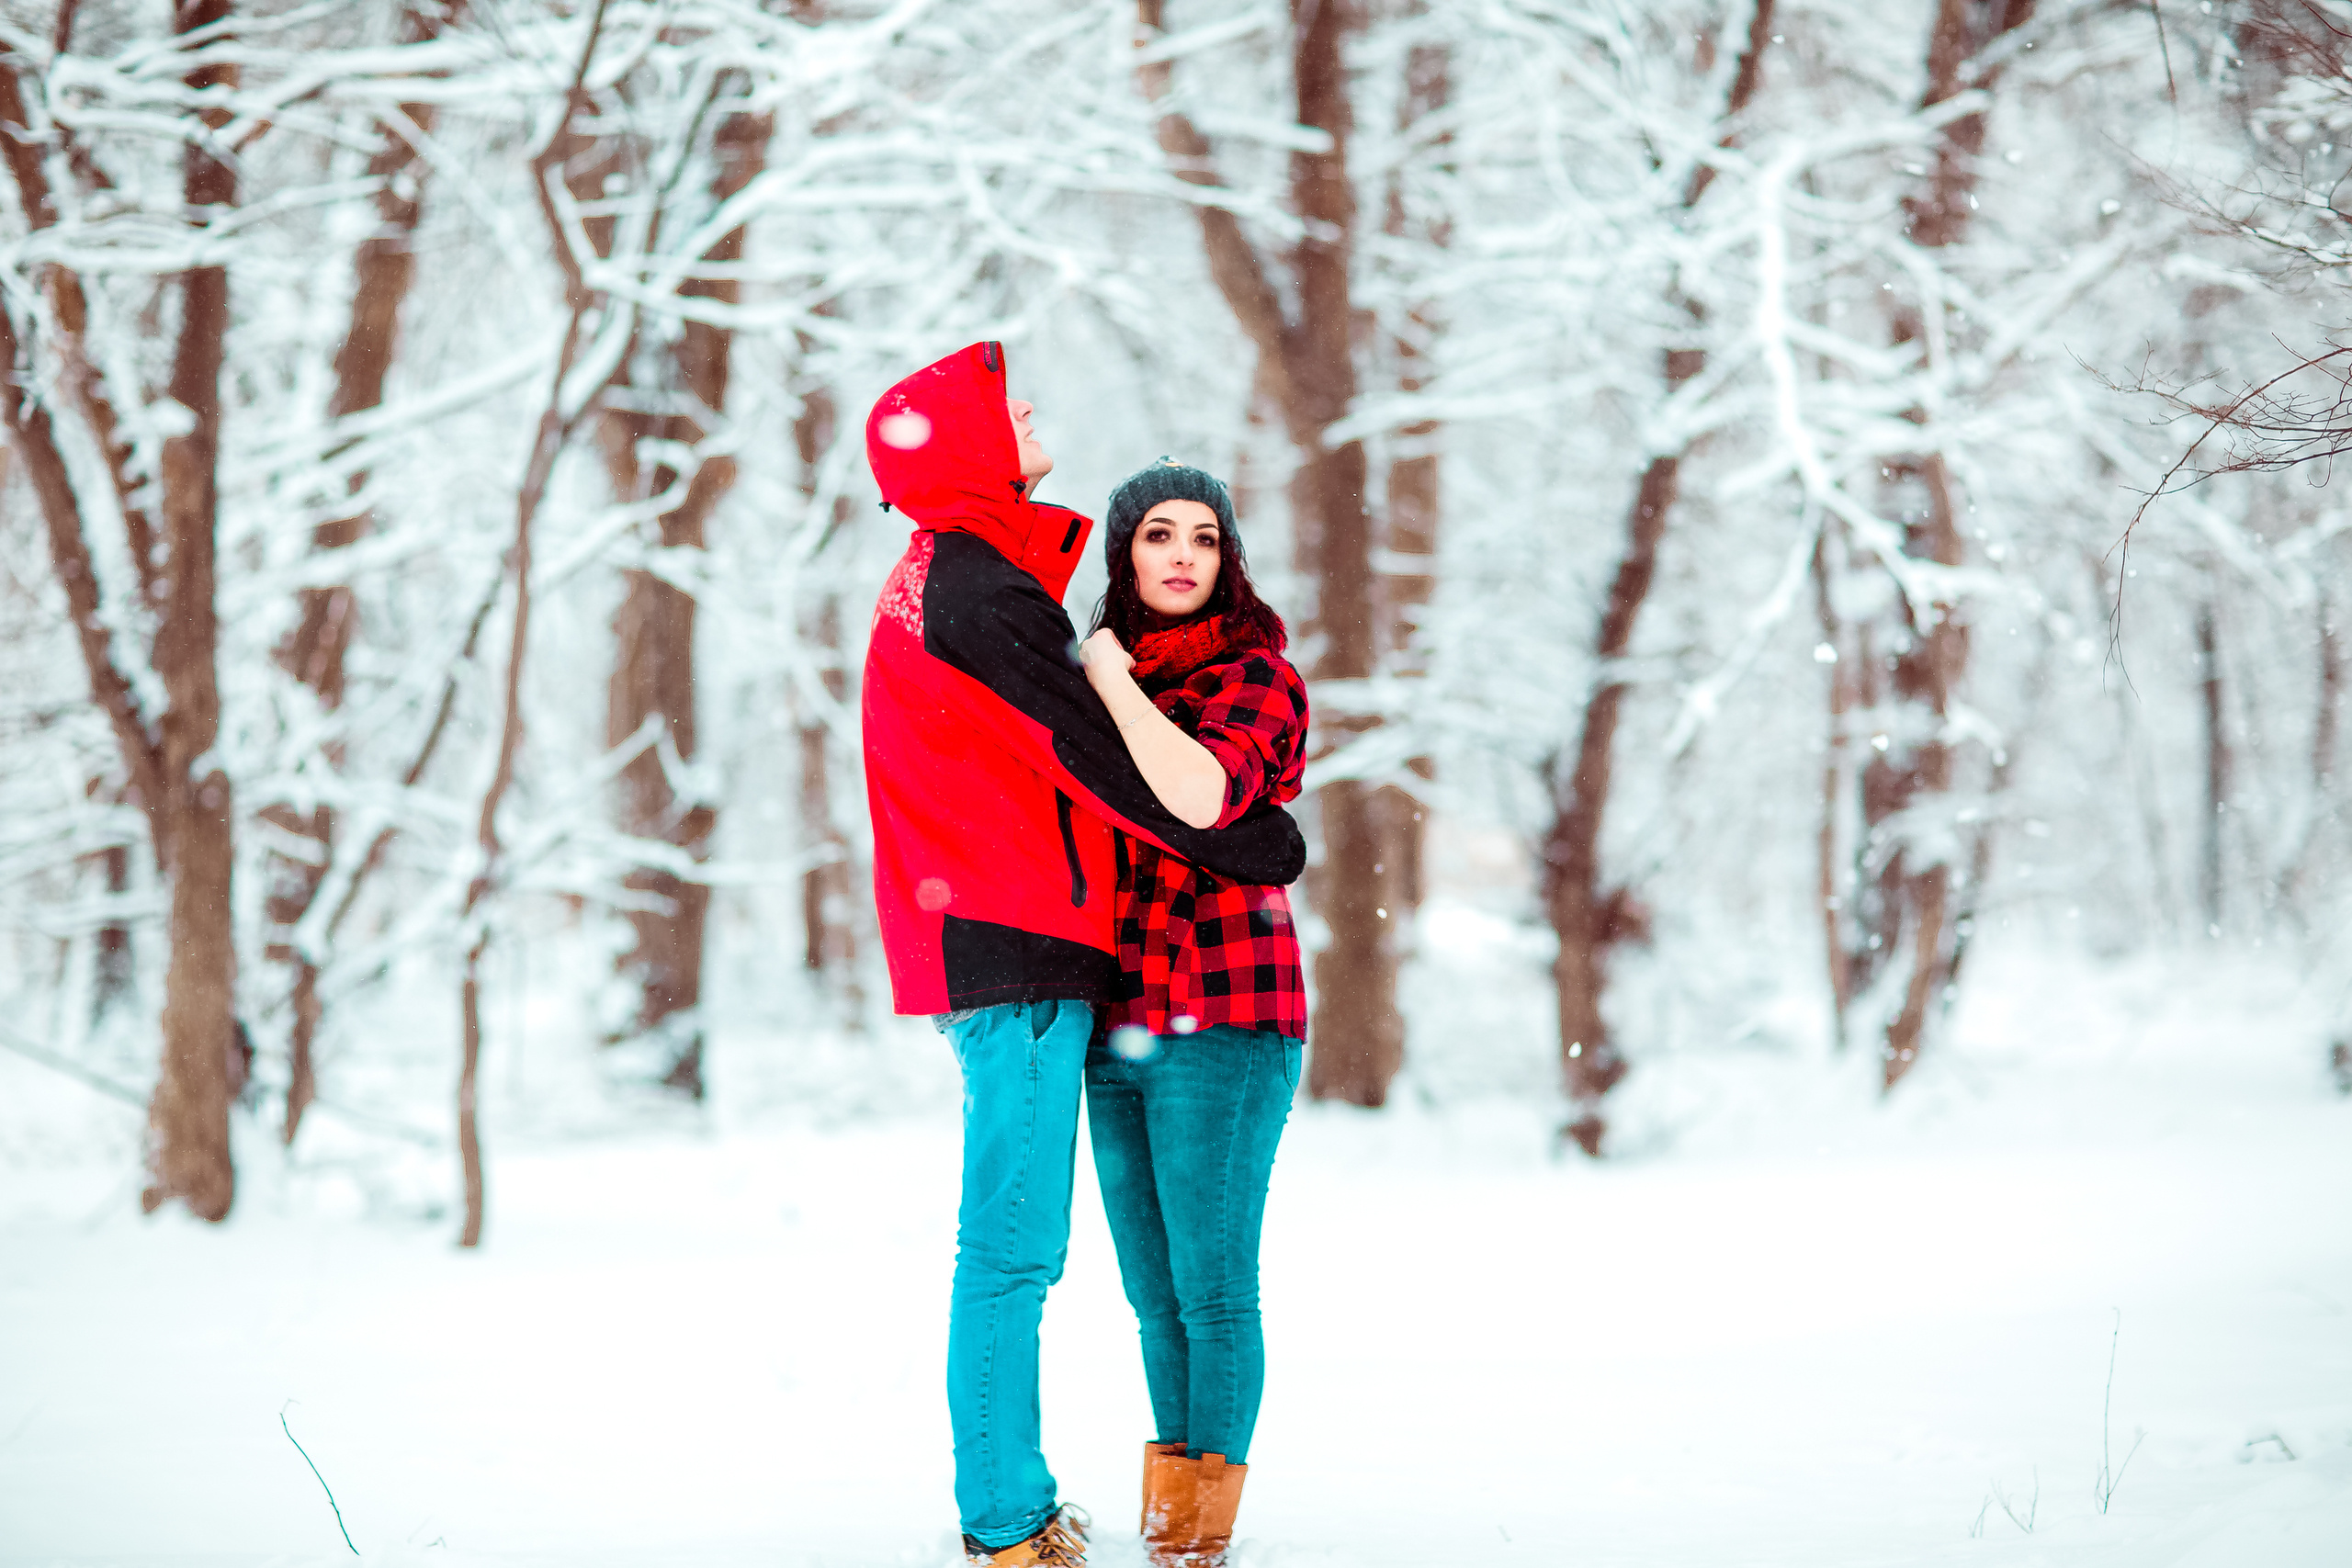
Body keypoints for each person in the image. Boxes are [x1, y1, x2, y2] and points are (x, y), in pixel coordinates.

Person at [859, 345, 1306, 1568]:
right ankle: (1007, 1518)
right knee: (1015, 1249)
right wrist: (1256, 837)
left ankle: (1044, 1507)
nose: (1033, 413)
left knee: (1093, 1262)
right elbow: (1089, 758)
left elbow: (1071, 757)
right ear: (967, 445)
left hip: (1056, 962)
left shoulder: (957, 578)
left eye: (1200, 537)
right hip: (1021, 951)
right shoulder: (976, 588)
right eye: (1011, 408)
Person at [1075, 459, 1309, 1568]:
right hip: (1115, 1015)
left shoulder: (1257, 676)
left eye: (1204, 538)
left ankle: (1196, 1546)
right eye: (1158, 534)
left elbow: (1204, 792)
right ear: (1124, 552)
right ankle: (1173, 1524)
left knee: (1213, 1290)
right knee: (1151, 1293)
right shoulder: (1094, 688)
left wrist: (1110, 685)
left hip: (1226, 1010)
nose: (1180, 556)